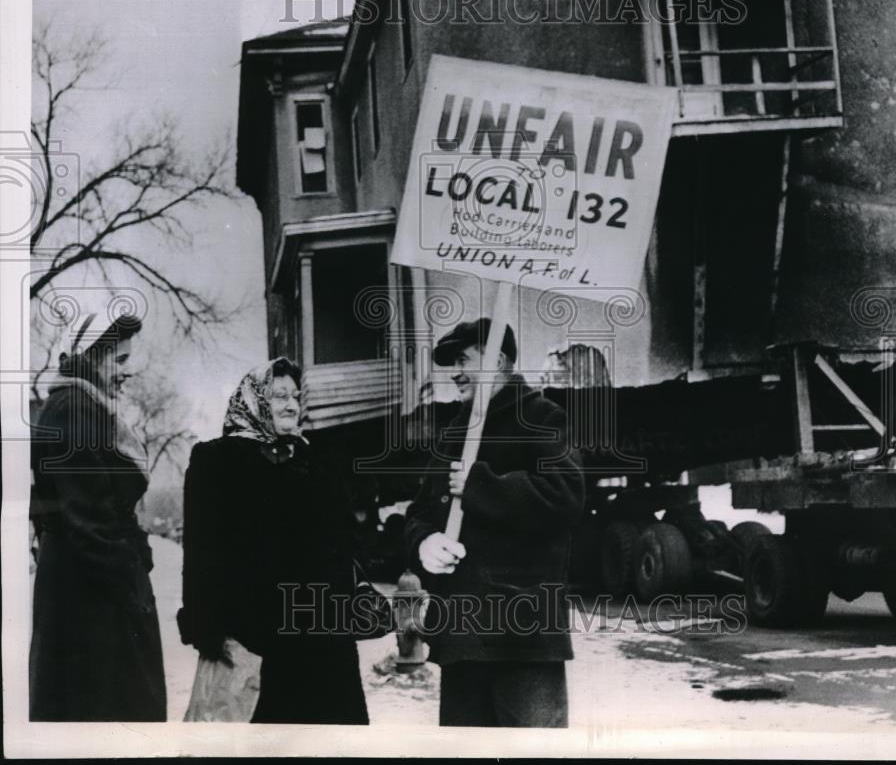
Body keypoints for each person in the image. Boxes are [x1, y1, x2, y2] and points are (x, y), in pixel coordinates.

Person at [404, 318, 585, 728]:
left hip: (522, 640)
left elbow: (565, 496)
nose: (456, 373)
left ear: (499, 359)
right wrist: (423, 543)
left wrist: (480, 485)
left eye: (463, 359)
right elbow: (419, 513)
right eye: (451, 363)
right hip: (462, 640)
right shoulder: (455, 433)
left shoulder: (542, 416)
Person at [177, 358, 369, 724]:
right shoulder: (216, 461)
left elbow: (345, 543)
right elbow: (200, 552)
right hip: (254, 643)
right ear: (254, 400)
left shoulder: (316, 460)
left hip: (323, 642)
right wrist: (209, 629)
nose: (292, 405)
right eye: (279, 395)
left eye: (296, 396)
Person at [30, 312, 167, 721]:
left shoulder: (85, 407)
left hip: (89, 590)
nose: (128, 372)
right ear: (94, 356)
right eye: (120, 361)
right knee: (102, 711)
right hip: (88, 600)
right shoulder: (74, 409)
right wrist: (132, 577)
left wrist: (138, 557)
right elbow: (89, 519)